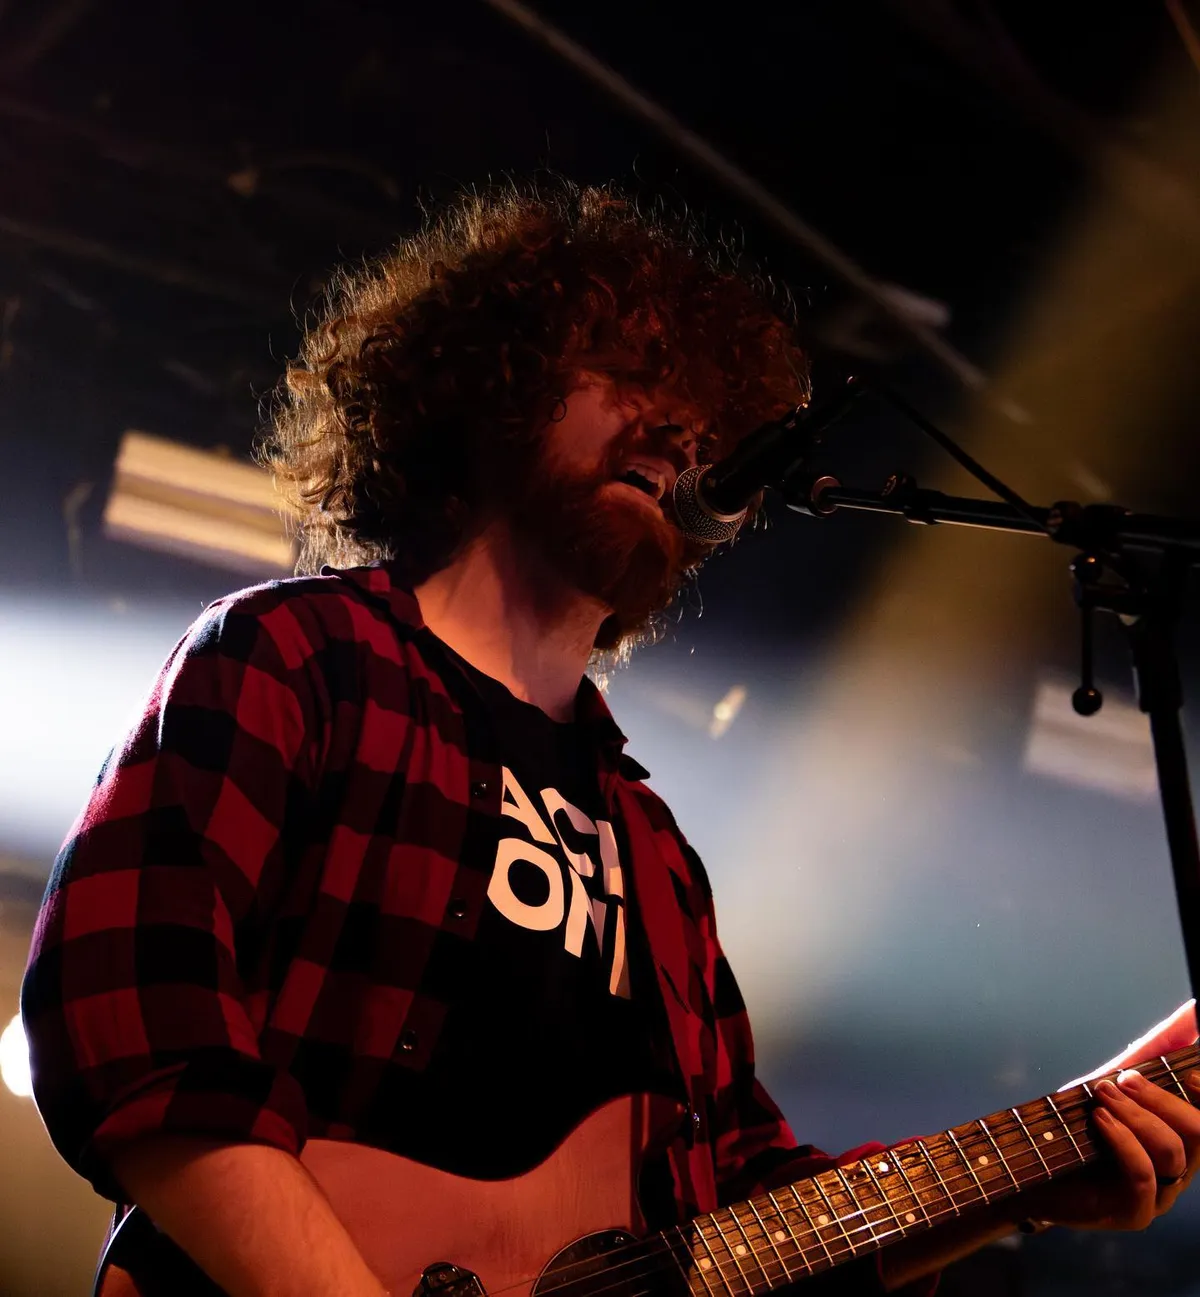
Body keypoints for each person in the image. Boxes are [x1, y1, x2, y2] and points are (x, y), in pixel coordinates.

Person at [21, 182, 1200, 1297]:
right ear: (492, 386)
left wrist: (1036, 1178)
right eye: (631, 371)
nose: (683, 428)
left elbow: (744, 1212)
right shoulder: (298, 656)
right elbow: (134, 1009)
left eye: (712, 419)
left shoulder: (656, 858)